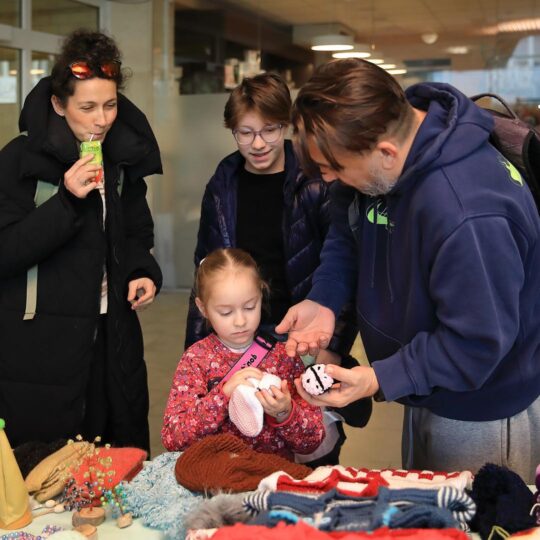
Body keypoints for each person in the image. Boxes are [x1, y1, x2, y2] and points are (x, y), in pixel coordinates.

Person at [276, 58, 540, 483]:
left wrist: (380, 376)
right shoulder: (388, 156)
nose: (329, 179)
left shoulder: (467, 213)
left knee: (475, 522)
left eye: (338, 168)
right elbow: (350, 230)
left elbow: (476, 344)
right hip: (424, 384)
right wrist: (324, 298)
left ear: (386, 153)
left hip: (481, 409)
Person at [184, 71, 371, 465]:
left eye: (269, 130)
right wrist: (197, 353)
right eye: (244, 132)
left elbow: (341, 270)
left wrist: (333, 348)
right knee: (245, 448)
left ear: (285, 125)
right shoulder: (223, 184)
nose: (257, 144)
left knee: (310, 445)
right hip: (237, 341)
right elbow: (205, 270)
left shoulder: (317, 180)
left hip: (302, 341)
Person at [0, 29, 162, 452]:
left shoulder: (119, 159)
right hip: (41, 343)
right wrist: (67, 201)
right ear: (58, 104)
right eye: (87, 107)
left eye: (110, 105)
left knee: (115, 455)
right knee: (49, 470)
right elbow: (6, 252)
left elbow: (134, 232)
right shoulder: (20, 161)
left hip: (112, 331)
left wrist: (143, 269)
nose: (102, 119)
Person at [162, 248, 324, 459]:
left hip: (271, 477)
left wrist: (286, 412)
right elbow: (173, 438)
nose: (240, 321)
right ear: (202, 308)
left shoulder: (283, 356)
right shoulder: (196, 359)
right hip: (215, 478)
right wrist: (223, 395)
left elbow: (312, 441)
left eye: (249, 307)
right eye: (226, 312)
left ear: (261, 294)